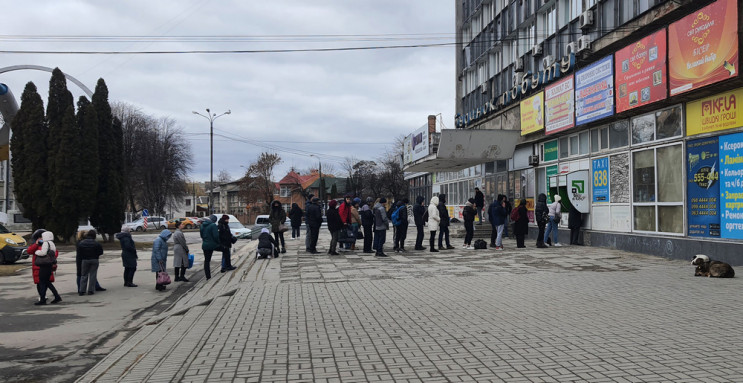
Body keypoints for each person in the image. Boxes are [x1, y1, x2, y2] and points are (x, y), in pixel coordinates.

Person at [29, 229, 61, 305]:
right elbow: (29, 251)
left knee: (43, 283)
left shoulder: (46, 244)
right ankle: (53, 297)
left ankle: (43, 299)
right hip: (43, 266)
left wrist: (38, 252)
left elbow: (46, 253)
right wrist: (36, 244)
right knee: (45, 283)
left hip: (43, 266)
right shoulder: (50, 244)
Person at [199, 214, 220, 280]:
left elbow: (201, 235)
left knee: (207, 261)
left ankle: (208, 276)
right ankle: (225, 266)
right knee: (225, 250)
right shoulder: (213, 225)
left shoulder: (202, 225)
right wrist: (218, 242)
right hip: (212, 245)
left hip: (204, 245)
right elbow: (216, 236)